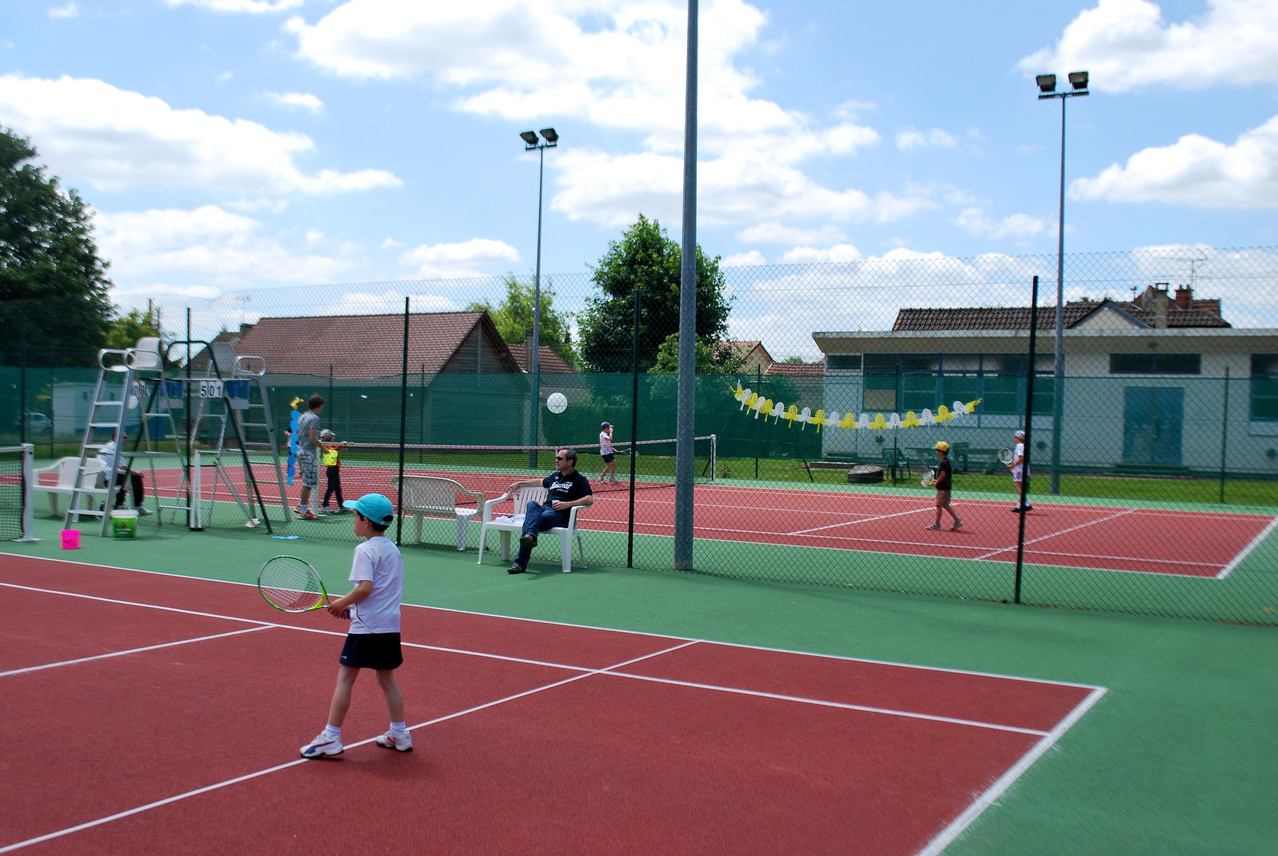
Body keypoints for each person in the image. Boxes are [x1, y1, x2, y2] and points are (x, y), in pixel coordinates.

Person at [300, 493, 412, 758]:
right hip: (389, 625)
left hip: (367, 627)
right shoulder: (393, 549)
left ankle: (331, 737)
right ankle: (400, 733)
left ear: (365, 521)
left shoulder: (365, 550)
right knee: (387, 678)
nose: (353, 520)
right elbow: (381, 591)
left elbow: (365, 588)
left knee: (346, 677)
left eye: (355, 516)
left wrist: (341, 603)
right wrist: (352, 607)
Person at [503, 448, 594, 574]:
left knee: (529, 523)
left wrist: (567, 504)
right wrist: (519, 483)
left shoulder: (579, 480)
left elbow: (589, 499)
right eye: (556, 458)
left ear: (570, 461)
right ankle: (531, 536)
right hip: (545, 509)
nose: (556, 460)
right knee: (532, 504)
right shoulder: (555, 476)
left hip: (559, 515)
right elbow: (540, 482)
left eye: (559, 458)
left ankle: (520, 562)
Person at [97, 432, 152, 516]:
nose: (127, 439)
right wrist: (135, 472)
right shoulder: (114, 448)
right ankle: (137, 506)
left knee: (125, 477)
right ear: (116, 437)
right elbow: (123, 467)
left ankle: (120, 505)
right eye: (125, 437)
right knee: (135, 477)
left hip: (102, 477)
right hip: (108, 478)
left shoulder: (108, 446)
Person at [294, 394, 324, 519]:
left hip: (300, 450)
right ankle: (304, 510)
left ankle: (301, 506)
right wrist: (324, 448)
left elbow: (297, 432)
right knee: (308, 483)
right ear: (318, 406)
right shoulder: (314, 418)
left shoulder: (303, 416)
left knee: (307, 482)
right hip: (308, 452)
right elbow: (312, 437)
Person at [925, 440, 962, 531]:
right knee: (945, 504)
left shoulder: (942, 462)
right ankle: (957, 520)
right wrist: (937, 481)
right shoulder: (947, 461)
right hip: (947, 486)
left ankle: (937, 524)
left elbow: (943, 475)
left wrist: (937, 483)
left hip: (942, 487)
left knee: (938, 505)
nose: (936, 452)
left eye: (937, 450)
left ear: (941, 452)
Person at [320, 429, 352, 513]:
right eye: (331, 436)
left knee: (338, 488)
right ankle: (325, 505)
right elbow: (333, 450)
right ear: (328, 437)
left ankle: (341, 506)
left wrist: (345, 444)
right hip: (331, 469)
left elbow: (336, 448)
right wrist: (341, 444)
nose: (333, 438)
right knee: (330, 488)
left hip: (335, 469)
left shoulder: (332, 445)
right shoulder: (326, 446)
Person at [1007, 429, 1033, 512]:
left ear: (1018, 438)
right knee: (1019, 487)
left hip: (1020, 470)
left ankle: (1024, 505)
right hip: (1022, 470)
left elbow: (1022, 458)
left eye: (1015, 437)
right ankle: (1022, 504)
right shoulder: (1023, 446)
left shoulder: (1020, 446)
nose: (1014, 439)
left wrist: (1013, 466)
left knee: (1018, 487)